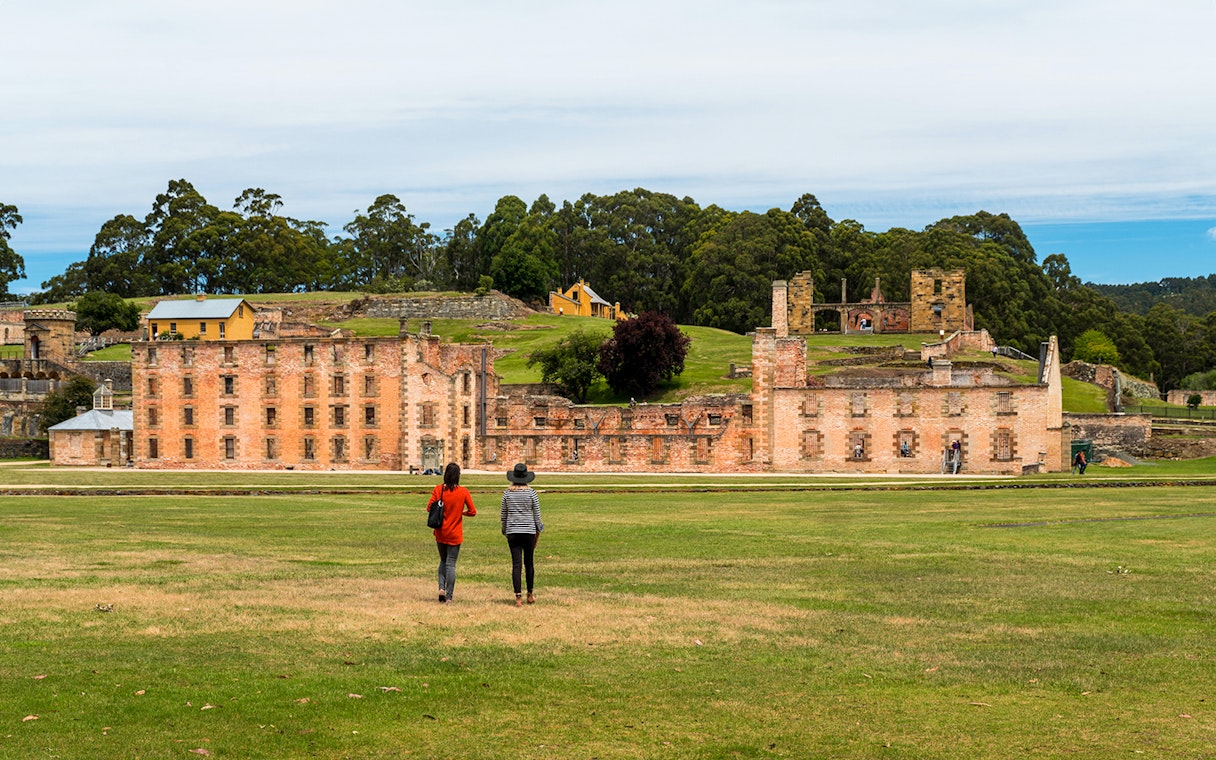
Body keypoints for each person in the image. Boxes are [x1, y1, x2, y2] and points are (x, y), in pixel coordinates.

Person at [427, 462, 476, 603]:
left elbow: (429, 507)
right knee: (451, 564)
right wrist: (462, 513)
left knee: (443, 561)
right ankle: (449, 596)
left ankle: (441, 587)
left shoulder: (438, 490)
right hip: (455, 533)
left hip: (440, 532)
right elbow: (473, 511)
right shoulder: (463, 492)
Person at [501, 463, 544, 607]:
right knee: (529, 563)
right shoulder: (532, 493)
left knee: (516, 564)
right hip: (528, 531)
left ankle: (518, 597)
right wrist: (539, 530)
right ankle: (530, 594)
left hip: (513, 531)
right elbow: (537, 515)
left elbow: (504, 514)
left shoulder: (507, 493)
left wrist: (504, 529)